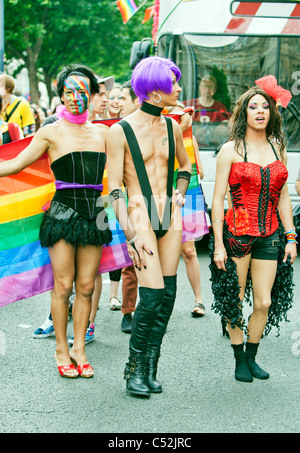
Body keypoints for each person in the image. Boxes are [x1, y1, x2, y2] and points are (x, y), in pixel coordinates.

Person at [0, 64, 112, 378]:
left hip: (96, 214)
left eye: (82, 92)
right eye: (68, 92)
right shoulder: (50, 131)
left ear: (91, 95)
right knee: (63, 286)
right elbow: (14, 165)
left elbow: (132, 161)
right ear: (60, 96)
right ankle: (61, 348)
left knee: (87, 287)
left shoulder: (104, 133)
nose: (76, 98)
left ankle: (79, 348)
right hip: (62, 214)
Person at [107, 56, 191, 398]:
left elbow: (184, 168)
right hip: (140, 216)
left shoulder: (172, 126)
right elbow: (114, 188)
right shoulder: (120, 130)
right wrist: (129, 235)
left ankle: (151, 367)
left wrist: (180, 193)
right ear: (156, 91)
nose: (179, 88)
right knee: (152, 296)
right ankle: (134, 369)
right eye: (173, 83)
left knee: (168, 296)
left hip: (169, 215)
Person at [210, 76, 297, 383]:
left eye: (265, 106)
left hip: (270, 235)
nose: (260, 111)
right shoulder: (230, 150)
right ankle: (238, 359)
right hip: (237, 236)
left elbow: (284, 196)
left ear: (272, 113)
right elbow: (217, 199)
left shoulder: (278, 148)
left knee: (264, 302)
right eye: (253, 106)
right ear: (244, 113)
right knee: (233, 300)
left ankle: (251, 357)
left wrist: (291, 237)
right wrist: (218, 244)